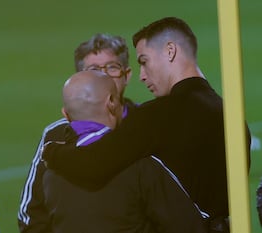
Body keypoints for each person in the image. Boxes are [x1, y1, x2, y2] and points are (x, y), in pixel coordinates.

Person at [42, 17, 251, 232]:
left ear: (170, 51)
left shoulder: (156, 115)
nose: (142, 76)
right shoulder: (232, 116)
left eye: (144, 61)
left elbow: (93, 164)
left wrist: (51, 152)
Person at [43, 70, 207, 233]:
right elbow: (190, 227)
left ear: (65, 114)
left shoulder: (50, 175)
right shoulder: (141, 166)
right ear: (111, 102)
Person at [17, 33, 134, 233]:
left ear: (127, 75)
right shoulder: (56, 134)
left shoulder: (147, 125)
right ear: (80, 78)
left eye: (112, 67)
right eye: (94, 70)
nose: (103, 76)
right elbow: (31, 212)